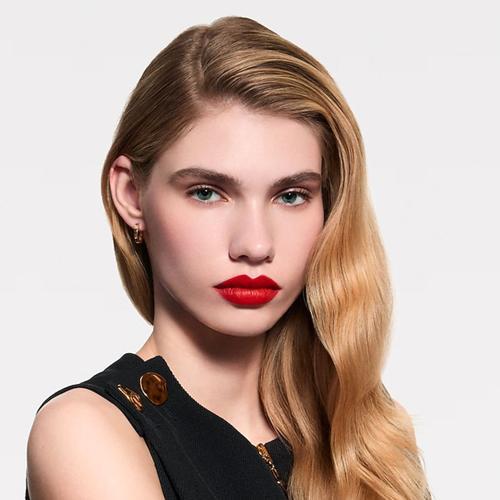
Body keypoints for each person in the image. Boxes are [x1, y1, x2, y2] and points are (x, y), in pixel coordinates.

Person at [25, 15, 431, 500]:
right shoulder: (87, 432)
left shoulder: (364, 440)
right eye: (207, 192)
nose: (255, 245)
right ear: (132, 195)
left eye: (291, 196)